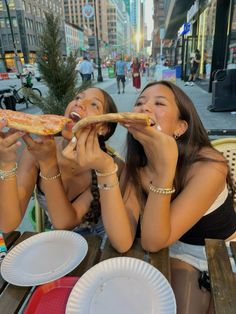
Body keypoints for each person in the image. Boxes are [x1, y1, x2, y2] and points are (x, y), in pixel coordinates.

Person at [66, 80, 235, 312]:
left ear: (180, 127)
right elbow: (123, 240)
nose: (144, 108)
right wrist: (105, 169)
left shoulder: (210, 166)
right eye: (140, 102)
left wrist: (165, 171)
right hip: (171, 248)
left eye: (159, 103)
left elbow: (152, 241)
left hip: (217, 252)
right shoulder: (137, 166)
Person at [0, 87, 124, 237]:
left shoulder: (108, 166)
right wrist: (6, 163)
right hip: (58, 240)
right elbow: (7, 224)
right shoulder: (36, 151)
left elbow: (64, 222)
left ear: (103, 128)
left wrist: (48, 164)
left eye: (94, 104)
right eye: (78, 97)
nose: (79, 103)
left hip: (101, 242)